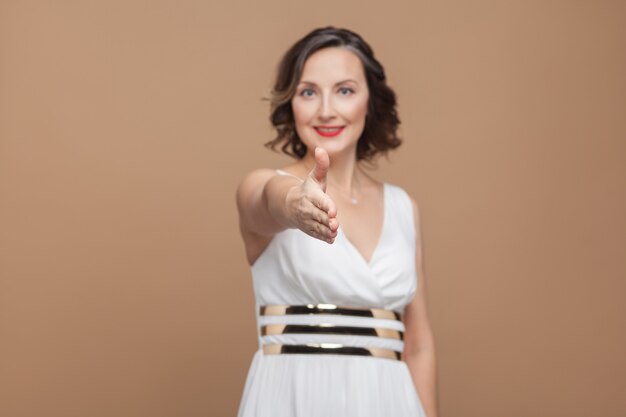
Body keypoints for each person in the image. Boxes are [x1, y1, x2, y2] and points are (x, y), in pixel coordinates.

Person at [235, 26, 437, 417]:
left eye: (344, 90)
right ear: (289, 103)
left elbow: (419, 343)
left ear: (370, 102)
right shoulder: (265, 187)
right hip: (293, 399)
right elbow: (265, 201)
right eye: (308, 92)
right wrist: (294, 204)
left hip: (390, 403)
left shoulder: (403, 207)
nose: (326, 109)